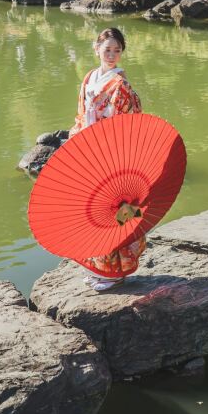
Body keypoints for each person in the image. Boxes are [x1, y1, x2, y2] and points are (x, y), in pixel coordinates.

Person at [70, 26, 145, 291]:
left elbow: (125, 124)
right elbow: (81, 114)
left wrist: (104, 139)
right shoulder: (90, 77)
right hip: (90, 151)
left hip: (113, 154)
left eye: (117, 50)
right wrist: (78, 139)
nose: (112, 55)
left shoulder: (121, 84)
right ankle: (98, 266)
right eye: (107, 50)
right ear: (96, 49)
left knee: (116, 208)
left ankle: (116, 271)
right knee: (93, 209)